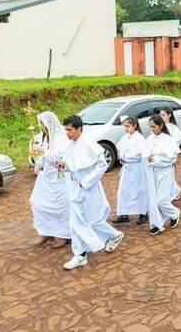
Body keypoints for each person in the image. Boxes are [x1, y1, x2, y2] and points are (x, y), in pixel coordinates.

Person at [58, 115, 124, 270]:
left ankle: (115, 235)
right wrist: (64, 165)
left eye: (70, 130)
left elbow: (102, 165)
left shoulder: (89, 144)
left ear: (79, 129)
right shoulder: (70, 146)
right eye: (65, 130)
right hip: (75, 187)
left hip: (89, 188)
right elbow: (73, 165)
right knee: (75, 222)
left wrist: (86, 182)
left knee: (93, 221)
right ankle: (80, 255)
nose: (67, 133)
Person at [29, 111, 70, 249]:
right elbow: (39, 159)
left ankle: (63, 234)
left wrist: (43, 151)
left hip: (58, 177)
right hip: (44, 176)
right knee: (37, 202)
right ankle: (45, 231)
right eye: (39, 123)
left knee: (58, 206)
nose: (40, 126)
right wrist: (37, 160)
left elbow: (59, 157)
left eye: (42, 123)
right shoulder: (42, 138)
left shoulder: (61, 138)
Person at [144, 115, 181, 235]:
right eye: (150, 127)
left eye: (154, 126)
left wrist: (155, 159)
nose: (152, 129)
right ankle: (156, 223)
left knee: (161, 200)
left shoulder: (168, 139)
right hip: (151, 172)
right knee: (153, 200)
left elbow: (172, 158)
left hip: (165, 172)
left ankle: (174, 213)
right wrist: (147, 158)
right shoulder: (149, 139)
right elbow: (144, 154)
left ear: (160, 126)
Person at [112, 117, 149, 225]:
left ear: (135, 126)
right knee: (124, 191)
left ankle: (143, 213)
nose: (126, 129)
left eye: (128, 126)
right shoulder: (125, 137)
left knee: (139, 190)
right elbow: (119, 148)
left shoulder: (139, 138)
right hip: (127, 169)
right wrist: (122, 157)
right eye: (124, 126)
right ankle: (123, 214)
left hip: (137, 169)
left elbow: (140, 154)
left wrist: (127, 158)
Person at [159, 106, 181, 200]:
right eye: (160, 115)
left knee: (169, 173)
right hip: (161, 154)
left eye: (163, 115)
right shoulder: (160, 127)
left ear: (169, 115)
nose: (161, 117)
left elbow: (178, 140)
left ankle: (174, 192)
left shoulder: (173, 128)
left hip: (170, 154)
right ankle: (174, 191)